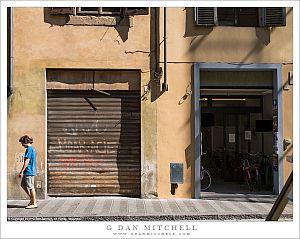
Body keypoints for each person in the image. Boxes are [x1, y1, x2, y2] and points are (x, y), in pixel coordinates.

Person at [18, 135, 38, 209]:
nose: (22, 145)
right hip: (28, 171)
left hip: (29, 171)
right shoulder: (31, 149)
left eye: (22, 143)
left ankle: (34, 203)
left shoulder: (30, 149)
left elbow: (27, 161)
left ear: (25, 142)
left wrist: (21, 171)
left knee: (31, 187)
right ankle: (32, 199)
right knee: (23, 185)